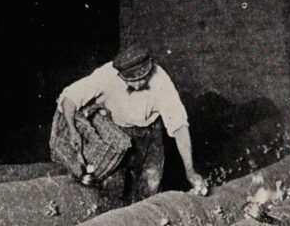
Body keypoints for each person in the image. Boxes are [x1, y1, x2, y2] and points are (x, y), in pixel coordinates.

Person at [56, 46, 207, 203]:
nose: (136, 86)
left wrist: (190, 169)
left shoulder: (161, 80)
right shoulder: (106, 75)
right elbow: (71, 98)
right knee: (111, 187)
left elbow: (179, 125)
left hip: (150, 133)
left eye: (141, 79)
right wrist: (72, 129)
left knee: (151, 185)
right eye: (130, 81)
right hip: (116, 134)